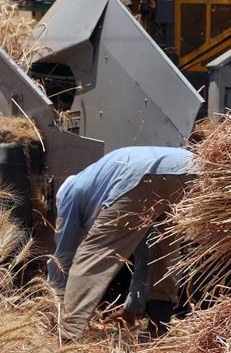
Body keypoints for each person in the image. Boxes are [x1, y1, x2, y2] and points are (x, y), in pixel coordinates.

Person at [47, 146, 195, 341]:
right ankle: (158, 327)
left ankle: (67, 336)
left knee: (93, 254)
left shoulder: (70, 194)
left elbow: (63, 256)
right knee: (160, 252)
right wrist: (131, 309)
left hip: (140, 175)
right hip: (193, 170)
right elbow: (146, 258)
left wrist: (52, 305)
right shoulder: (97, 181)